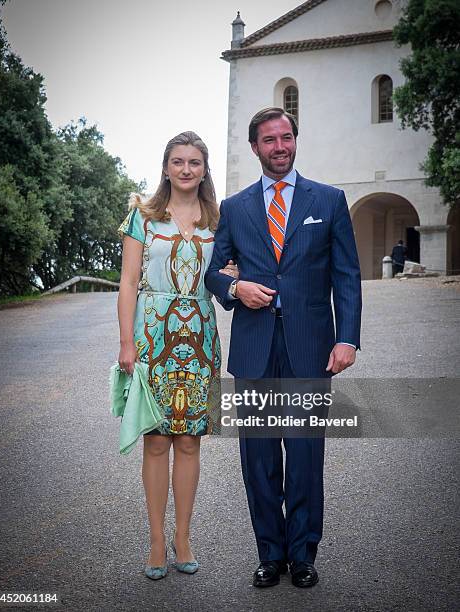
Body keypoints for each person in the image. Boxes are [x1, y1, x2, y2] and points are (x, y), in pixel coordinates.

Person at [205, 108, 362, 589]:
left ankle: (303, 555)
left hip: (309, 348)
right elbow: (215, 273)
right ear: (255, 147)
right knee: (260, 461)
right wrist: (237, 291)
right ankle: (269, 555)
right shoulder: (234, 208)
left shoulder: (329, 201)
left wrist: (347, 336)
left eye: (287, 137)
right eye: (269, 140)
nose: (280, 146)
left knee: (304, 456)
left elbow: (346, 275)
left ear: (295, 140)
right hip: (254, 349)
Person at [117, 131, 236, 580]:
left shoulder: (219, 220)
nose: (187, 169)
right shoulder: (143, 217)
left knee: (189, 440)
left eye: (195, 162)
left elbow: (228, 273)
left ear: (205, 170)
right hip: (153, 336)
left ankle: (182, 537)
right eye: (178, 161)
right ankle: (154, 540)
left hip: (200, 337)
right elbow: (128, 282)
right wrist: (127, 342)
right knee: (156, 439)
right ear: (165, 167)